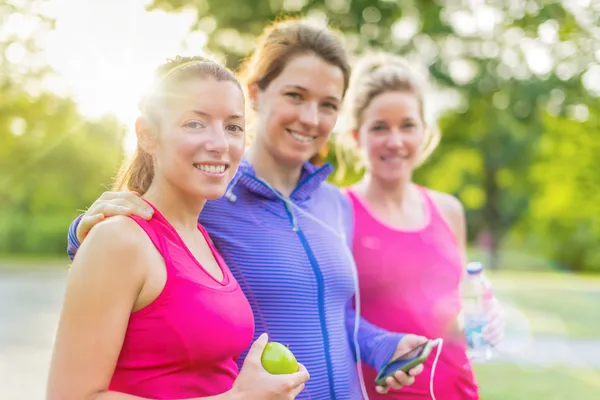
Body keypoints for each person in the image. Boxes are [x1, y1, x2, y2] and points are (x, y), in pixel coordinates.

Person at [64, 20, 427, 399]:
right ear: (255, 94)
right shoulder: (210, 189)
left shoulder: (335, 204)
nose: (309, 117)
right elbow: (138, 236)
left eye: (328, 105)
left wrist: (380, 345)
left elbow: (327, 312)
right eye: (295, 96)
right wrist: (81, 231)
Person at [47, 56, 309, 400]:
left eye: (233, 126)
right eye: (195, 124)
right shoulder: (119, 239)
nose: (219, 143)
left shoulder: (201, 236)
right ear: (148, 136)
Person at [342, 52, 505, 399]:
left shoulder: (448, 210)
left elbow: (450, 311)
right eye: (380, 127)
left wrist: (483, 320)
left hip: (457, 387)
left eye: (407, 125)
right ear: (357, 136)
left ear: (424, 132)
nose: (395, 141)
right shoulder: (338, 210)